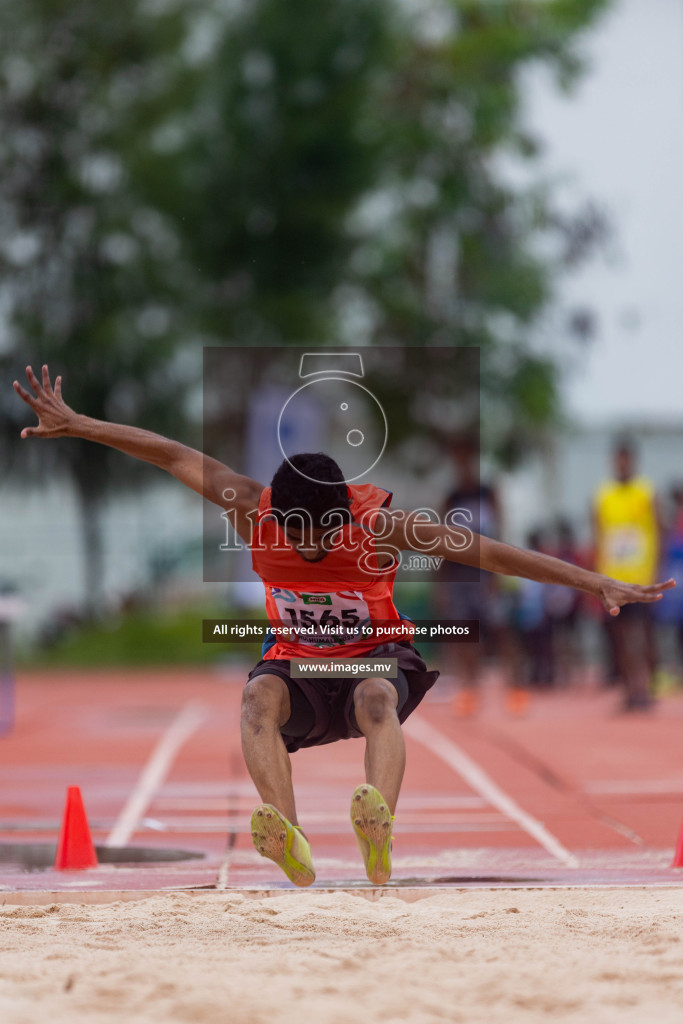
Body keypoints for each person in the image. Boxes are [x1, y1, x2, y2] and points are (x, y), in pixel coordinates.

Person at [14, 366, 675, 886]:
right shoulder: (251, 507)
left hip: (375, 659)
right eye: (293, 534)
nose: (305, 546)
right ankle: (291, 839)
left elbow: (490, 553)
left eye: (319, 535)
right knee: (255, 700)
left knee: (374, 698)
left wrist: (592, 581)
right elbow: (170, 454)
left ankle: (376, 830)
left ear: (343, 519)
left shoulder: (382, 526)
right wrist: (78, 424)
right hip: (299, 665)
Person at [593, 438, 663, 710]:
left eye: (626, 459)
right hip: (613, 577)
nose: (621, 464)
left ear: (633, 460)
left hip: (642, 575)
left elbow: (660, 529)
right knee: (620, 635)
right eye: (617, 459)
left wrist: (656, 568)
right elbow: (598, 534)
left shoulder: (646, 492)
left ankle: (645, 686)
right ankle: (629, 689)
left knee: (642, 634)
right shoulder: (603, 494)